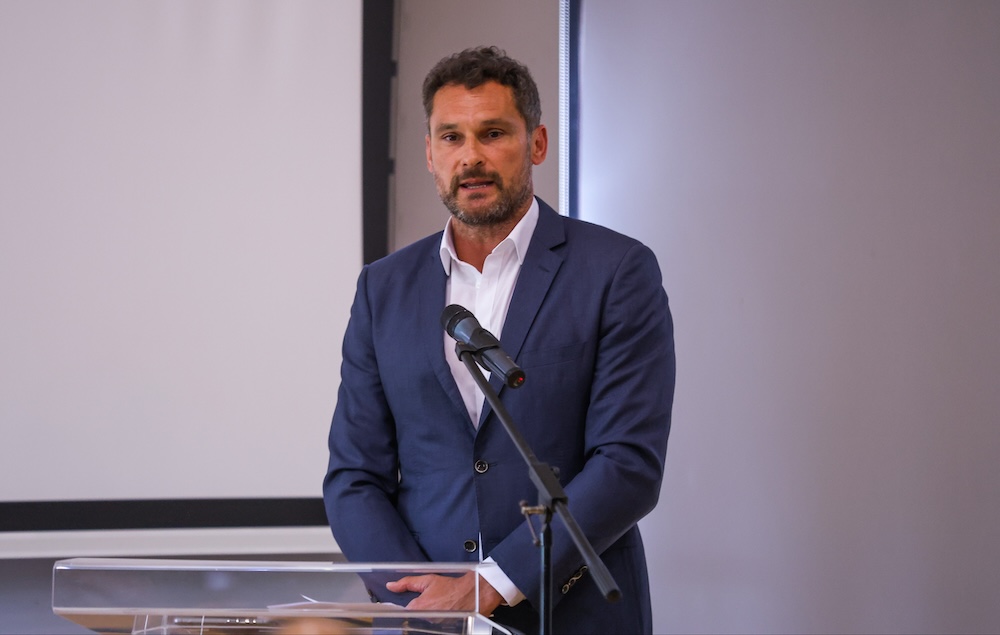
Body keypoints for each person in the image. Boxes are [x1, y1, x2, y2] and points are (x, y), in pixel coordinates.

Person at [323, 46, 675, 634]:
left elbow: (627, 464)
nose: (471, 157)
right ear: (430, 154)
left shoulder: (616, 271)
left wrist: (493, 582)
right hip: (425, 622)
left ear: (536, 143)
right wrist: (421, 600)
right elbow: (354, 477)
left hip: (574, 614)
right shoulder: (382, 288)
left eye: (493, 133)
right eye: (452, 138)